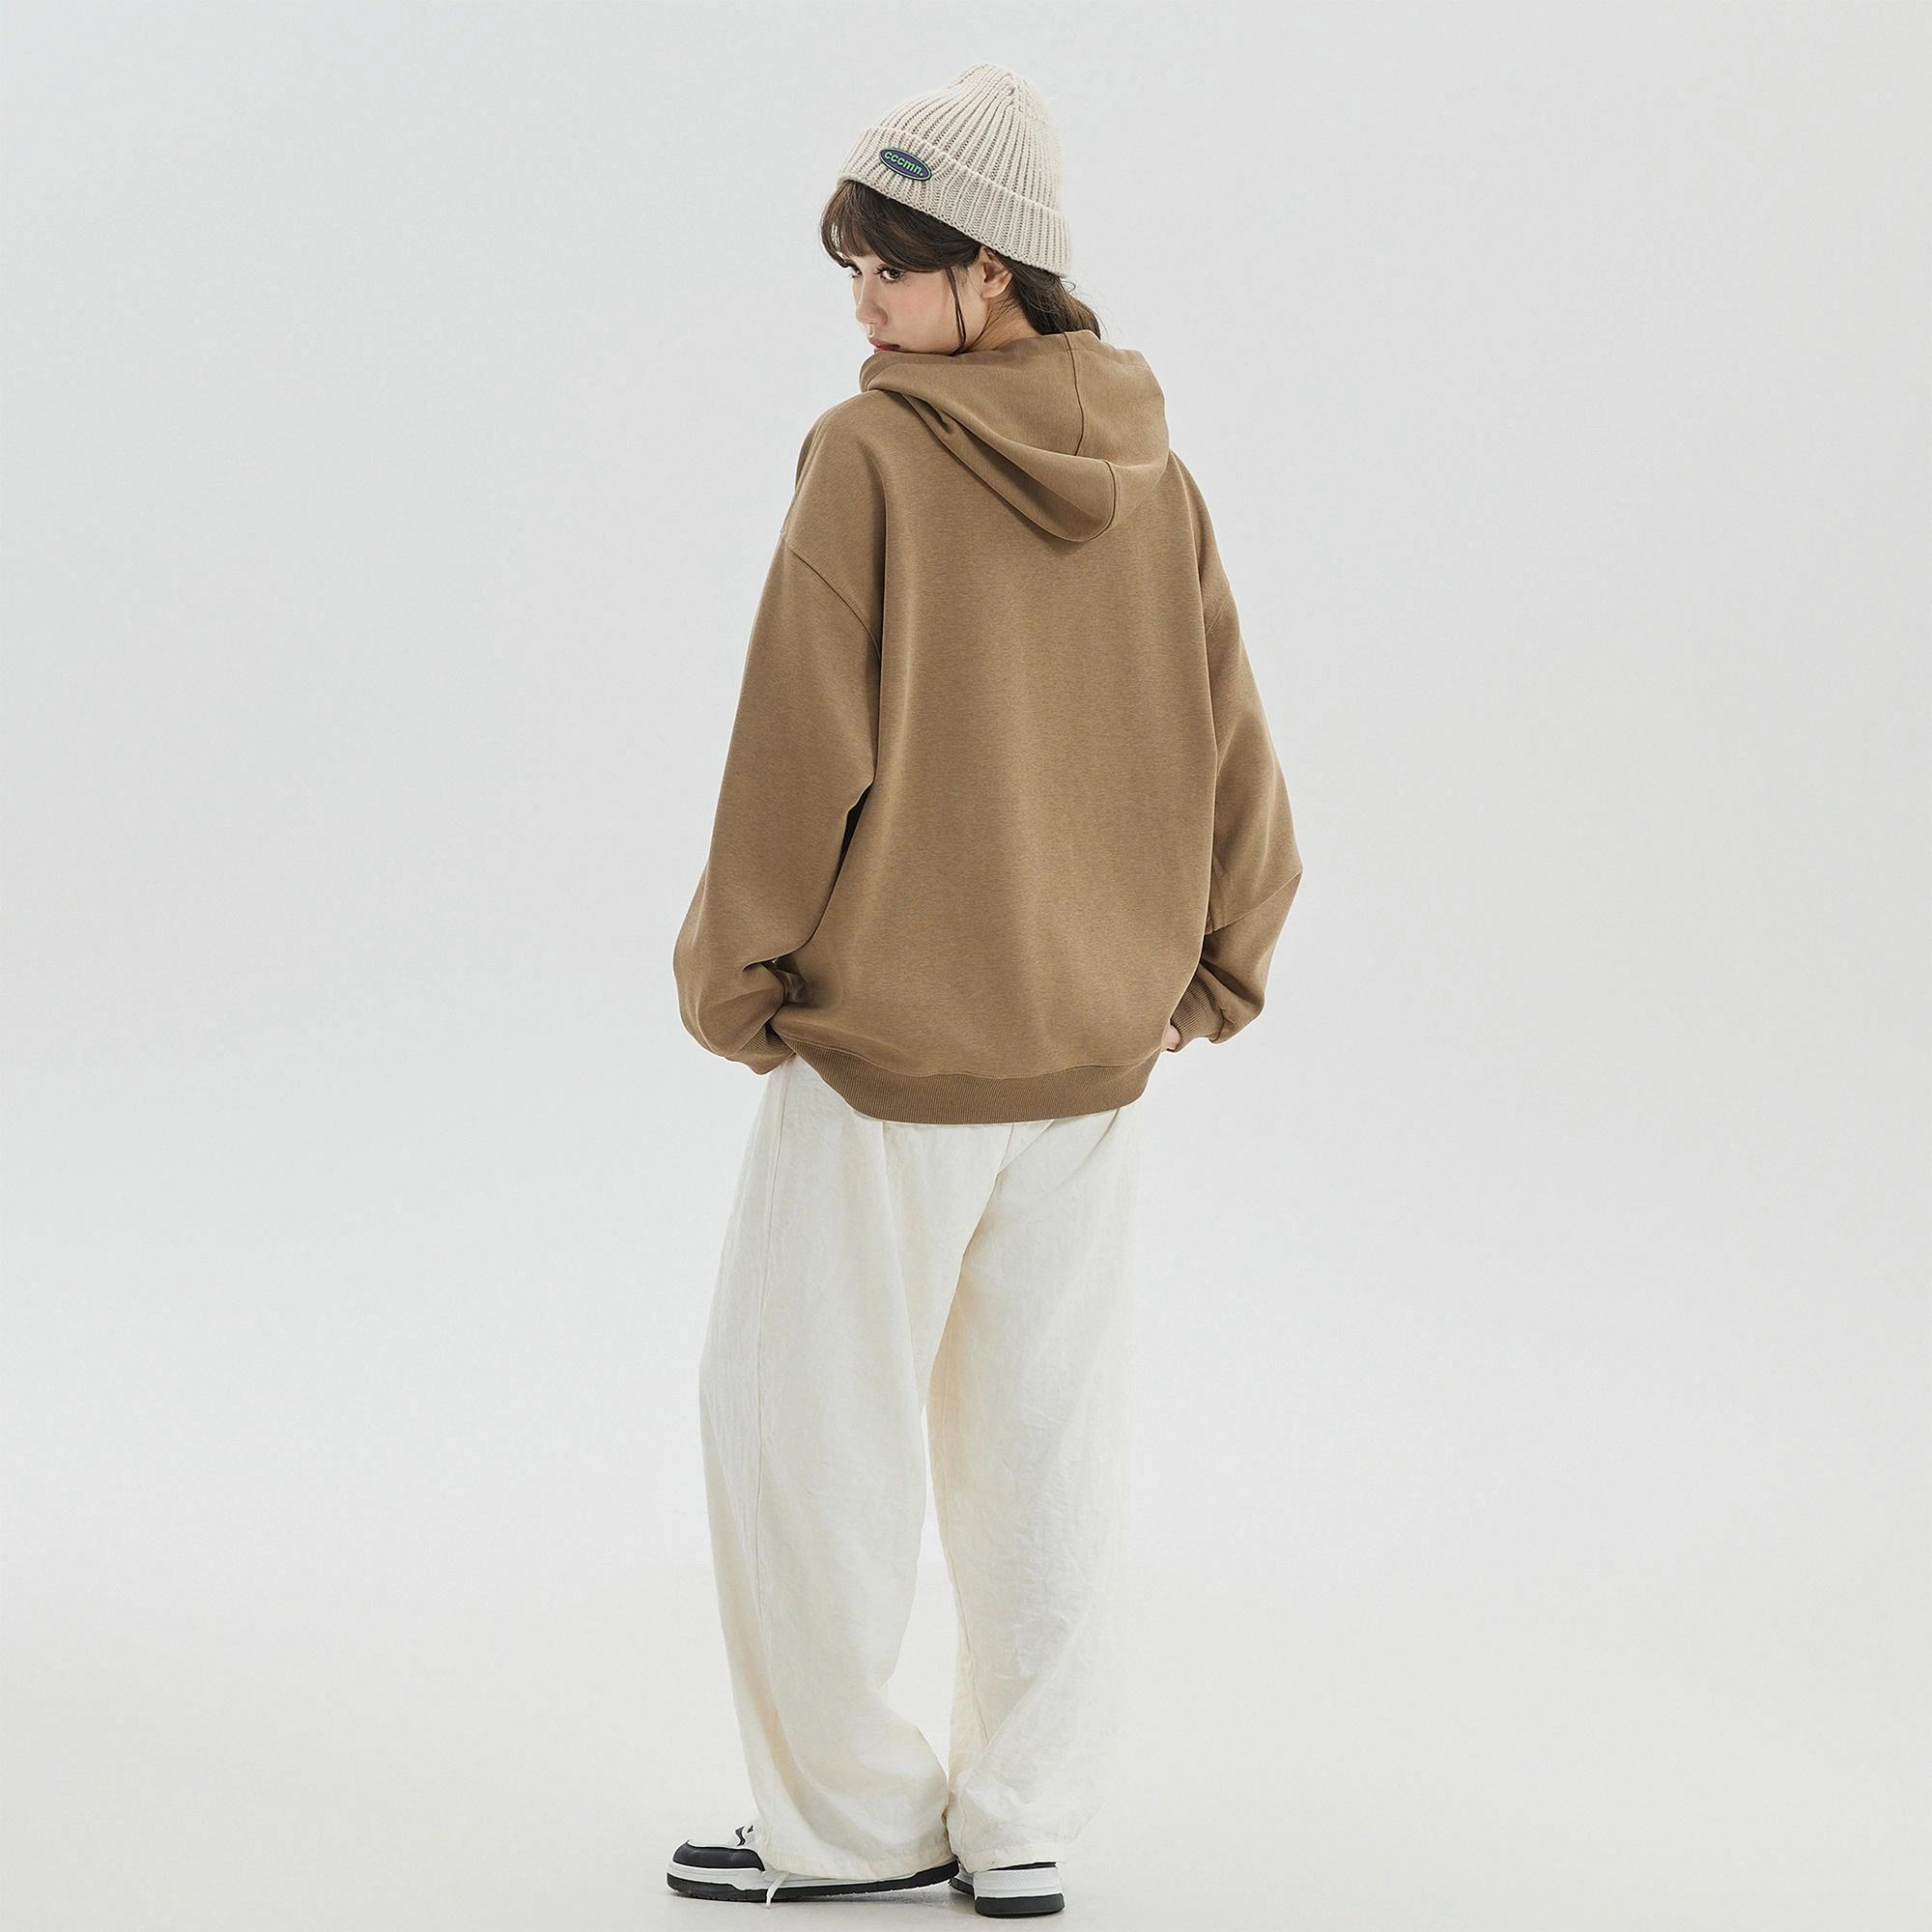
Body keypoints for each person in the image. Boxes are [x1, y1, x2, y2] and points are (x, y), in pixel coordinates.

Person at [666, 62, 1303, 1916]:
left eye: (891, 265)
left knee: (804, 1442)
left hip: (889, 1062)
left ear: (992, 272)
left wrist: (735, 979)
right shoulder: (1155, 474)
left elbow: (799, 749)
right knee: (1043, 1455)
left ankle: (851, 1824)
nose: (862, 304)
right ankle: (1019, 1822)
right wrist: (1217, 967)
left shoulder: (867, 458)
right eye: (854, 267)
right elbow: (1239, 749)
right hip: (1091, 1064)